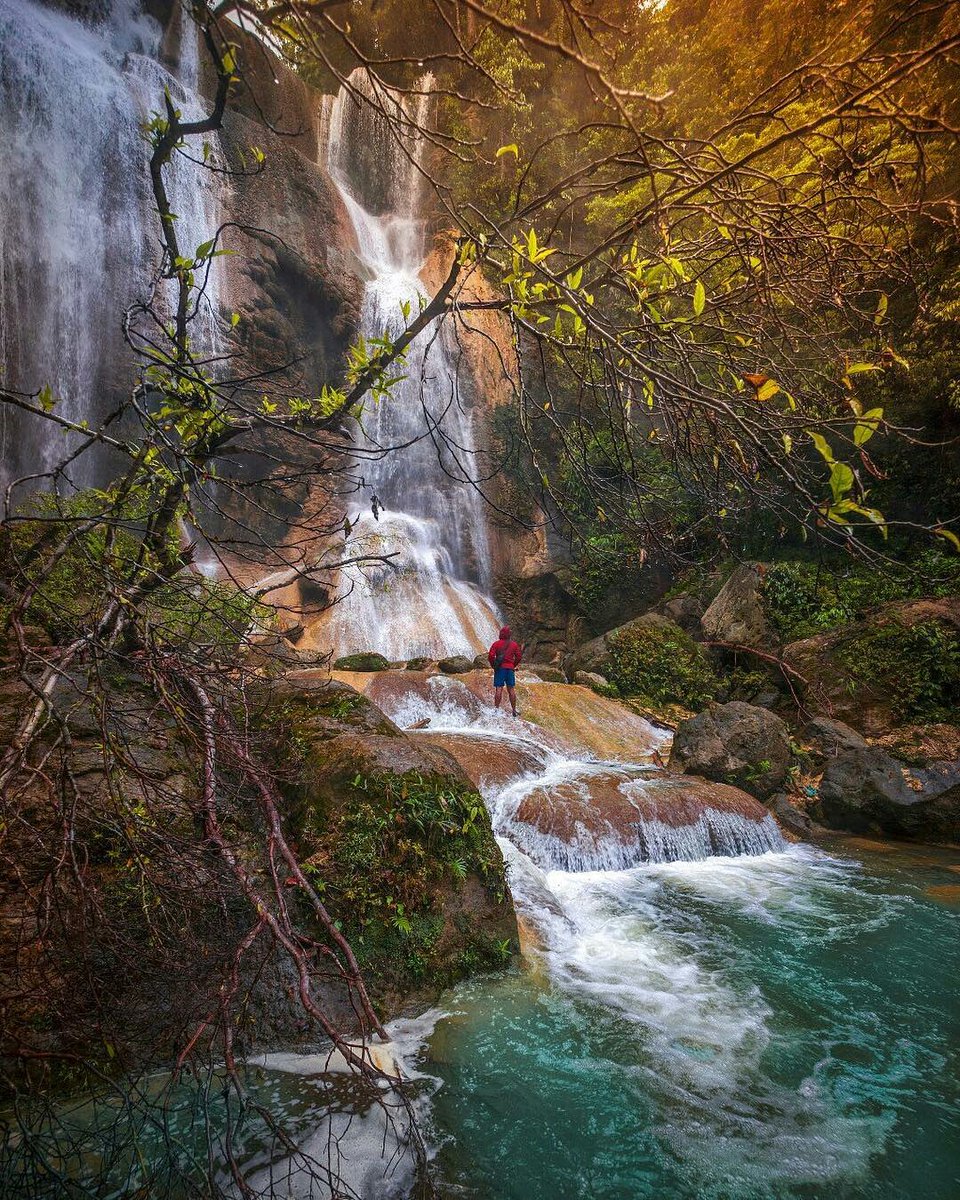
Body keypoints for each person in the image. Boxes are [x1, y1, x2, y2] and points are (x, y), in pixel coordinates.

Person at [488, 625, 523, 717]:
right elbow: (519, 656)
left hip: (500, 668)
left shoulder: (496, 644)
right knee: (511, 689)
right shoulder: (514, 644)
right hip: (510, 669)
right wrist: (513, 665)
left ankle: (496, 710)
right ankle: (514, 710)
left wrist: (493, 665)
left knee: (499, 688)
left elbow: (491, 656)